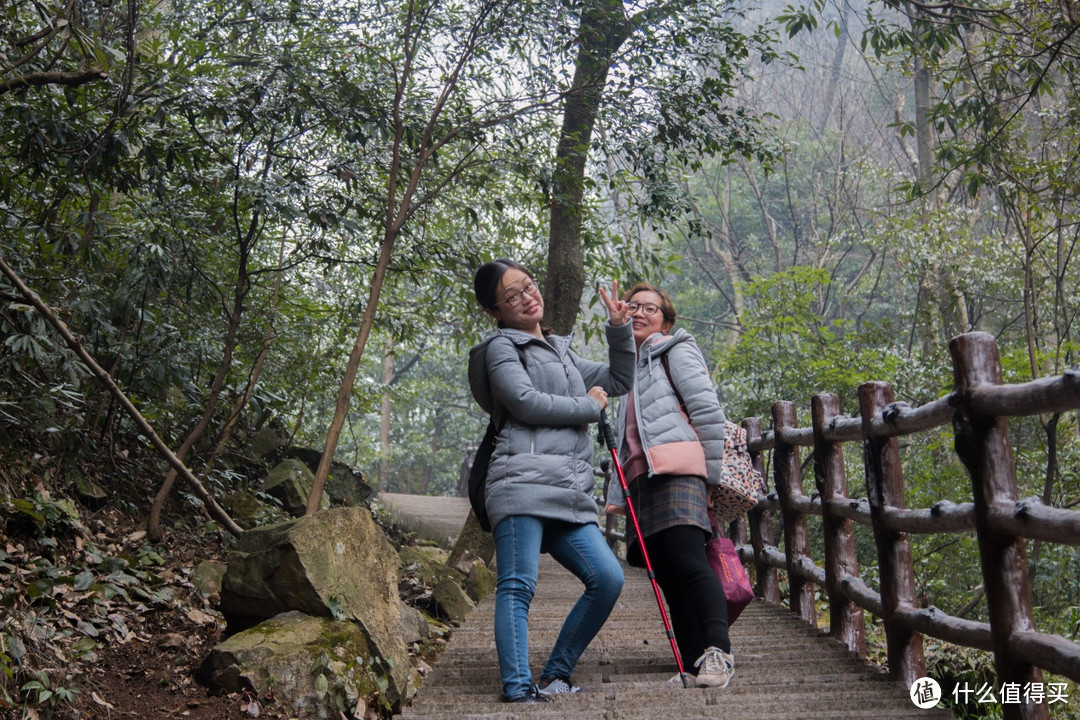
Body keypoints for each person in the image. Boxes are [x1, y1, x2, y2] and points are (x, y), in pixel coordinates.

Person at [467, 258, 636, 704]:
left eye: (528, 286)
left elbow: (619, 379)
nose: (527, 297)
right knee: (518, 585)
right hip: (520, 481)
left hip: (568, 490)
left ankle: (556, 674)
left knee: (607, 578)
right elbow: (525, 403)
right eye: (512, 296)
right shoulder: (501, 348)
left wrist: (618, 329)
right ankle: (519, 689)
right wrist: (588, 407)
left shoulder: (563, 352)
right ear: (496, 311)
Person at [605, 282, 735, 689]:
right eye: (634, 306)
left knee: (688, 559)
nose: (641, 313)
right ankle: (693, 662)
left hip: (678, 469)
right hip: (642, 481)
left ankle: (719, 652)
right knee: (665, 571)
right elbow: (621, 440)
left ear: (667, 319)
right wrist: (616, 498)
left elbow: (707, 412)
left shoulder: (675, 350)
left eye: (651, 308)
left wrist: (711, 477)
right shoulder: (623, 369)